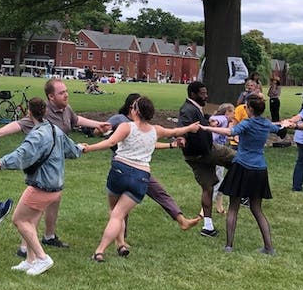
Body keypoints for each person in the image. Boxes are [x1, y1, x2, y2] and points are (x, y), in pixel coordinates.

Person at [0, 78, 110, 254]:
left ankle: (49, 237)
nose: (66, 94)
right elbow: (20, 125)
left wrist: (97, 125)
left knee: (52, 200)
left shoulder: (66, 110)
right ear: (50, 97)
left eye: (66, 91)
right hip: (44, 169)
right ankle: (26, 247)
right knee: (37, 206)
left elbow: (76, 120)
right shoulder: (42, 115)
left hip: (55, 167)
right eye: (61, 93)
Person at [80, 96, 200, 261]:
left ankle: (100, 251)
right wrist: (190, 128)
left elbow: (110, 142)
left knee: (115, 214)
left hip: (120, 172)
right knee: (119, 214)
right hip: (141, 178)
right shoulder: (156, 130)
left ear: (135, 111)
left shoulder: (126, 126)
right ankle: (121, 244)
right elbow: (175, 132)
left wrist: (88, 148)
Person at [0, 97, 81, 276]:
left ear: (28, 113)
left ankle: (42, 258)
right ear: (45, 111)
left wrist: (0, 163)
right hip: (55, 187)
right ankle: (30, 260)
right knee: (30, 222)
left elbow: (21, 154)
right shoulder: (55, 130)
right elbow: (72, 150)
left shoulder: (37, 135)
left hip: (42, 187)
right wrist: (80, 148)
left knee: (19, 220)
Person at [107, 94, 202, 231]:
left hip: (140, 169)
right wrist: (99, 131)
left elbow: (153, 141)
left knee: (159, 192)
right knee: (121, 208)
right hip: (123, 167)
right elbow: (104, 134)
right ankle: (120, 241)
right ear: (132, 107)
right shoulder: (121, 121)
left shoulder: (145, 127)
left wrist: (172, 144)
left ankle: (182, 220)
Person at [205, 96, 285, 254]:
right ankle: (269, 247)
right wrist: (288, 124)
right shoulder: (266, 123)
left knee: (233, 207)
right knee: (257, 209)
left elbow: (230, 131)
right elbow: (280, 129)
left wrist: (207, 128)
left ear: (250, 109)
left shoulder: (247, 123)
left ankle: (229, 246)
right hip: (260, 169)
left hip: (242, 167)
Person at [177, 81, 235, 237]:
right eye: (203, 93)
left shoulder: (195, 108)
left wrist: (208, 118)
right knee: (239, 160)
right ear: (193, 94)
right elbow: (183, 124)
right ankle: (241, 194)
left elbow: (198, 119)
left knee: (207, 188)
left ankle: (207, 227)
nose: (206, 95)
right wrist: (181, 137)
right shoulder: (187, 109)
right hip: (206, 152)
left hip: (195, 156)